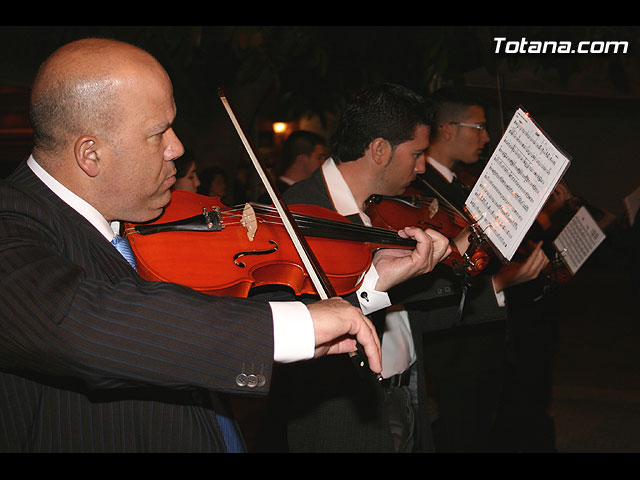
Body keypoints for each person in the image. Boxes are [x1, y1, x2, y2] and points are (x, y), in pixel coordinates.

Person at [0, 38, 390, 453]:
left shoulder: (136, 219)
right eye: (157, 133)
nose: (178, 147)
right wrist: (289, 328)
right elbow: (82, 324)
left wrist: (374, 276)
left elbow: (219, 310)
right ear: (90, 154)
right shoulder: (12, 224)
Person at [258, 83, 452, 453]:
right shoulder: (297, 212)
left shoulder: (386, 210)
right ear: (379, 150)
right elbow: (289, 323)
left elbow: (405, 312)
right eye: (417, 153)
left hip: (405, 394)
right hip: (340, 421)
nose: (423, 166)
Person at [407, 87, 550, 452]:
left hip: (483, 333)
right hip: (455, 346)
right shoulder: (420, 190)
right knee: (460, 433)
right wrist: (502, 280)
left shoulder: (459, 184)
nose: (486, 138)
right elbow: (443, 273)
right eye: (479, 127)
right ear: (448, 129)